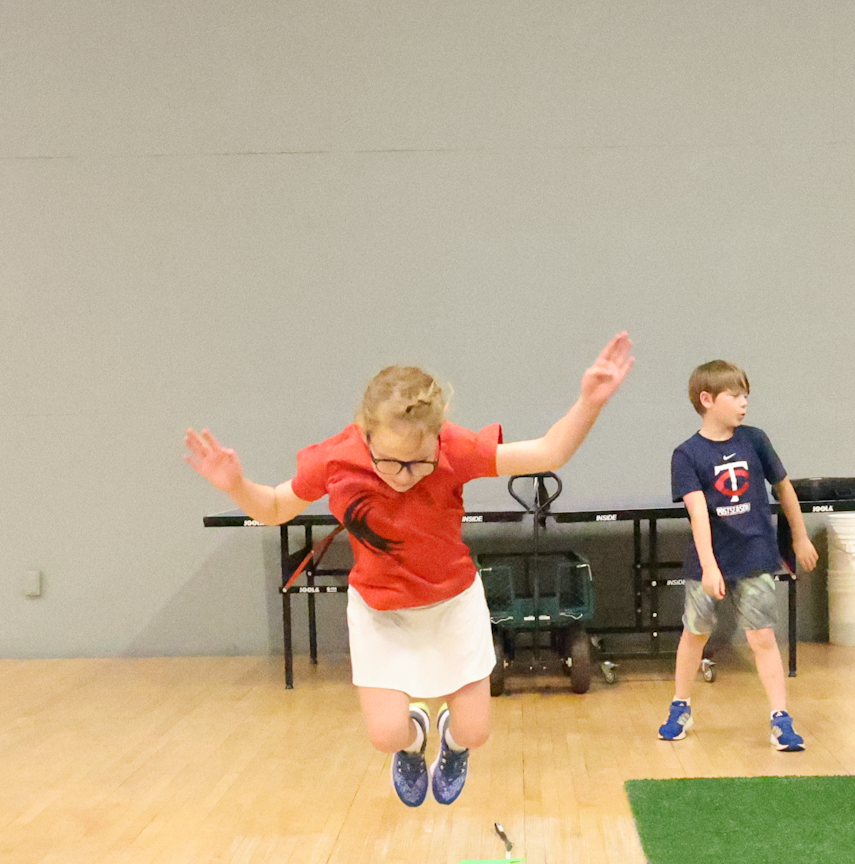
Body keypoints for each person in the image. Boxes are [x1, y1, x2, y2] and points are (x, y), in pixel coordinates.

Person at [184, 335, 633, 806]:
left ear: (437, 438)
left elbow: (548, 453)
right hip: (381, 611)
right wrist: (236, 484)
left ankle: (452, 744)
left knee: (475, 731)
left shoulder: (455, 449)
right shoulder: (335, 459)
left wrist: (589, 402)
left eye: (419, 463)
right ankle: (415, 740)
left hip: (453, 602)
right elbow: (275, 506)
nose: (402, 475)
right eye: (390, 462)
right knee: (385, 735)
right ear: (366, 434)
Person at [654, 360, 820, 751]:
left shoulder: (756, 440)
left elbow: (785, 489)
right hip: (708, 560)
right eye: (736, 395)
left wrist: (799, 537)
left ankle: (781, 719)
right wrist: (710, 566)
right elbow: (698, 514)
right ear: (707, 399)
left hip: (756, 555)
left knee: (762, 636)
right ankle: (680, 707)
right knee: (695, 633)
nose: (744, 403)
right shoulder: (687, 455)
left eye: (746, 395)